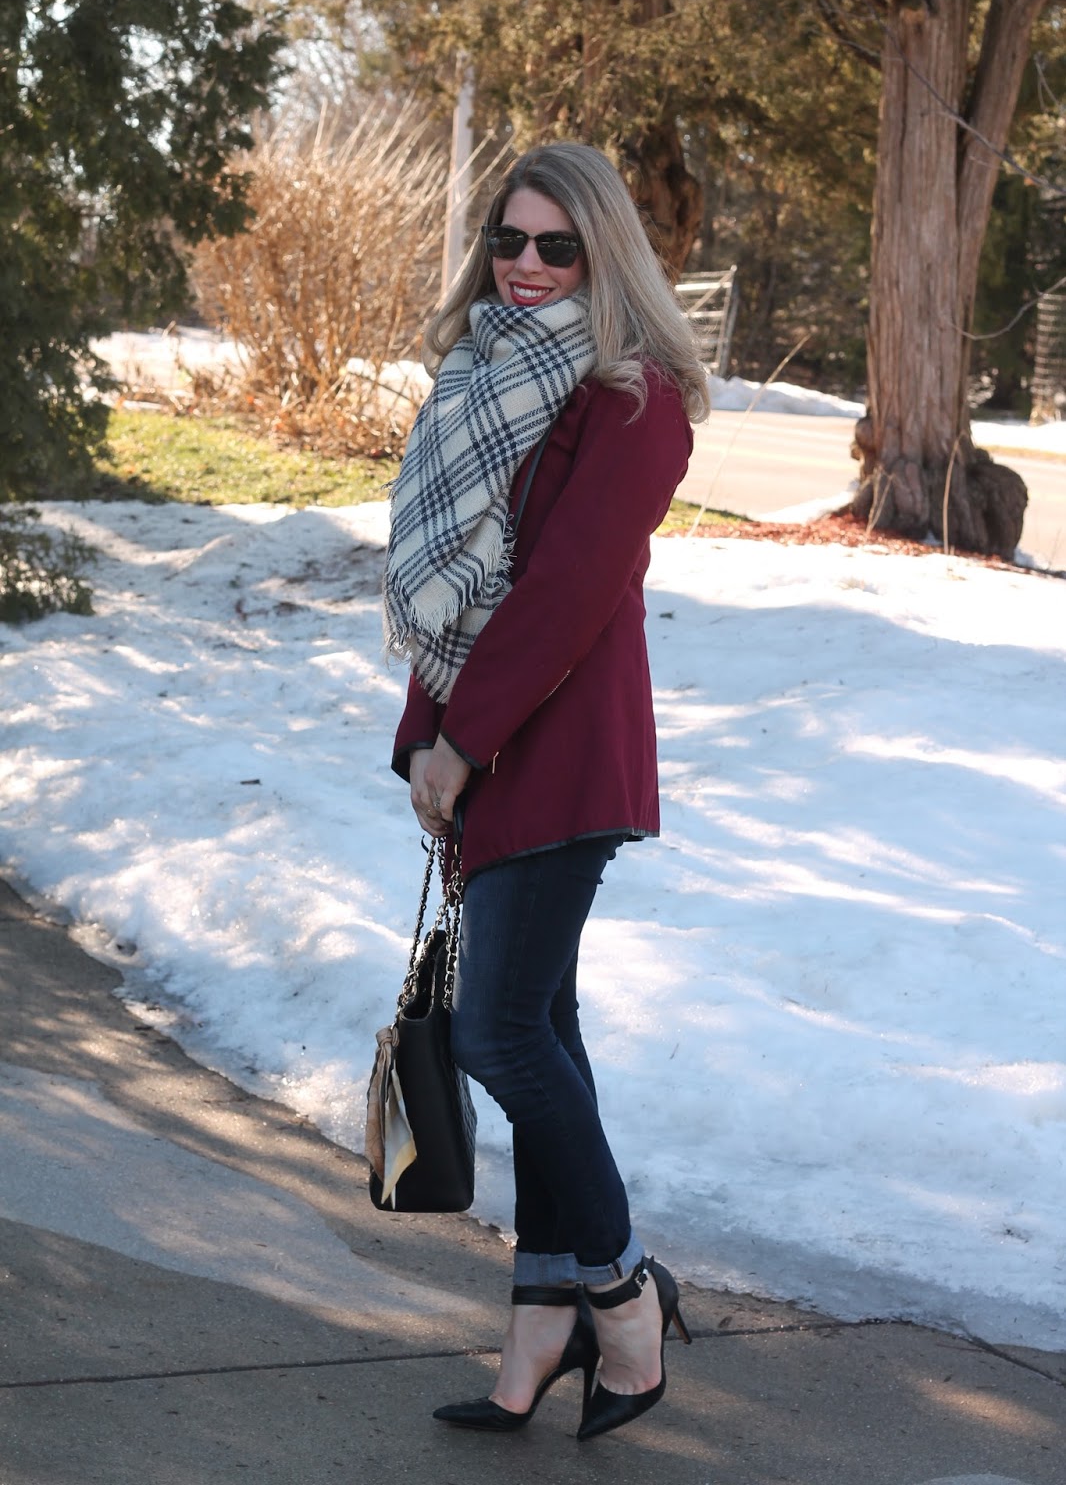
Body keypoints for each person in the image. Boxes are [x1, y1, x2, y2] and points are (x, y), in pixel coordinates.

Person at [383, 141, 709, 1441]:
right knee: (541, 1031)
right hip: (477, 740)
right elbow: (447, 585)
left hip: (562, 756)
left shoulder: (634, 400)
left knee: (497, 1036)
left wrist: (462, 740)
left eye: (553, 248)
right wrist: (423, 735)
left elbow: (565, 590)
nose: (523, 267)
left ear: (603, 255)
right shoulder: (476, 379)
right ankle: (537, 1331)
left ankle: (622, 1296)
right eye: (507, 242)